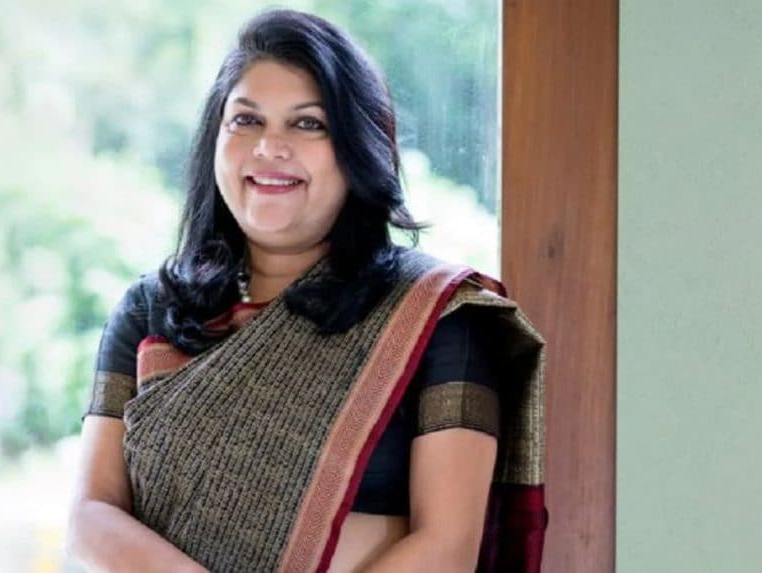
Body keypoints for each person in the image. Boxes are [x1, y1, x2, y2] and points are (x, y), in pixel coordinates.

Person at [65, 8, 546, 573]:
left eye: (308, 124)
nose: (269, 147)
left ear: (359, 148)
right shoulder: (150, 310)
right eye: (246, 120)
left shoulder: (436, 318)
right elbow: (92, 516)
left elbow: (447, 547)